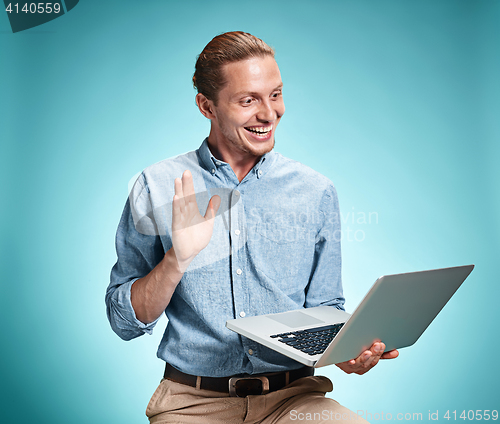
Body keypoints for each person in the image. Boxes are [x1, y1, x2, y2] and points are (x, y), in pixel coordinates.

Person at [106, 31, 398, 423]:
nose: (268, 114)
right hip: (192, 404)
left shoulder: (316, 191)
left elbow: (327, 308)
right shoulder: (156, 186)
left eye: (275, 95)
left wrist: (345, 353)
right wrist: (177, 259)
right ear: (206, 106)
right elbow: (123, 320)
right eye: (248, 100)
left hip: (295, 399)